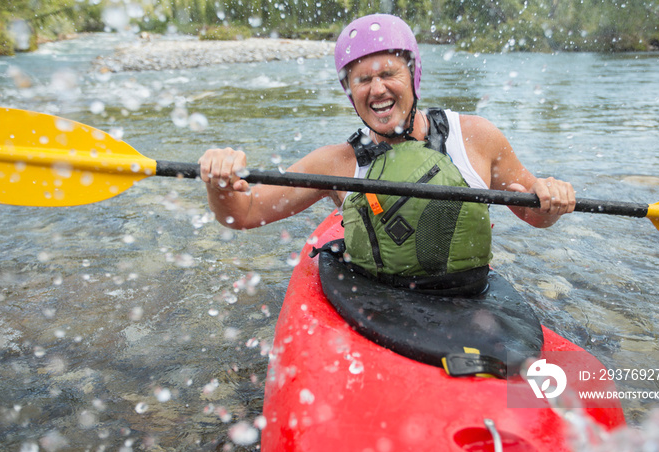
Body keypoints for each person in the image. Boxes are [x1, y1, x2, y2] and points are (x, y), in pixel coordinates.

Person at [199, 14, 575, 293]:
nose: (377, 89)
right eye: (363, 80)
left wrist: (550, 198)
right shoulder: (337, 163)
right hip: (377, 303)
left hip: (466, 297)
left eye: (389, 74)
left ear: (414, 76)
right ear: (350, 92)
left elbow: (533, 214)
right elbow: (244, 214)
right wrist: (220, 182)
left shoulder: (476, 137)